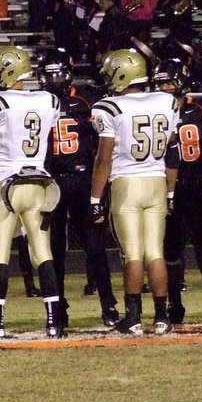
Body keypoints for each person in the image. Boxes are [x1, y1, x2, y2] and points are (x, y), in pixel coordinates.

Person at [0, 46, 64, 339]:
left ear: (9, 70)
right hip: (38, 183)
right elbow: (49, 149)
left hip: (5, 184)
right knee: (43, 253)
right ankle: (53, 322)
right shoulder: (48, 100)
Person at [90, 48, 180, 335]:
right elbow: (172, 152)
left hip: (126, 184)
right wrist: (170, 192)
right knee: (155, 252)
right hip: (157, 181)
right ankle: (162, 317)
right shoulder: (166, 101)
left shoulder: (109, 107)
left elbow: (104, 159)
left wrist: (95, 198)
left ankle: (134, 317)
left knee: (132, 254)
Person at [38, 48, 120, 327]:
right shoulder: (39, 102)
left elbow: (103, 141)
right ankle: (58, 306)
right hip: (52, 181)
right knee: (54, 249)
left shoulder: (87, 99)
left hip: (83, 179)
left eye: (58, 74)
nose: (54, 80)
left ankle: (108, 305)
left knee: (95, 247)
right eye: (49, 75)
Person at [152, 58, 202, 324]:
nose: (165, 88)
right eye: (161, 84)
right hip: (166, 188)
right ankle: (174, 303)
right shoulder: (152, 110)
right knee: (170, 250)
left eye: (169, 82)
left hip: (196, 184)